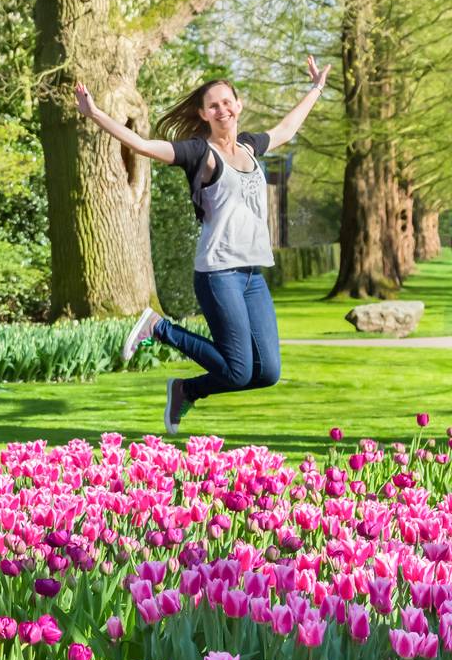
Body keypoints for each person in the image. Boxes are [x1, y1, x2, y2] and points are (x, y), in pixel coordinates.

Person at [73, 57, 330, 434]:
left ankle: (185, 389)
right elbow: (143, 145)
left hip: (251, 275)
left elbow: (286, 130)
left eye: (228, 102)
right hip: (218, 273)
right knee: (239, 370)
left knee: (267, 372)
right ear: (204, 113)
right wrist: (95, 114)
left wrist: (316, 89)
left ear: (238, 106)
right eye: (214, 105)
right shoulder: (199, 153)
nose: (222, 109)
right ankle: (159, 328)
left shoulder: (250, 148)